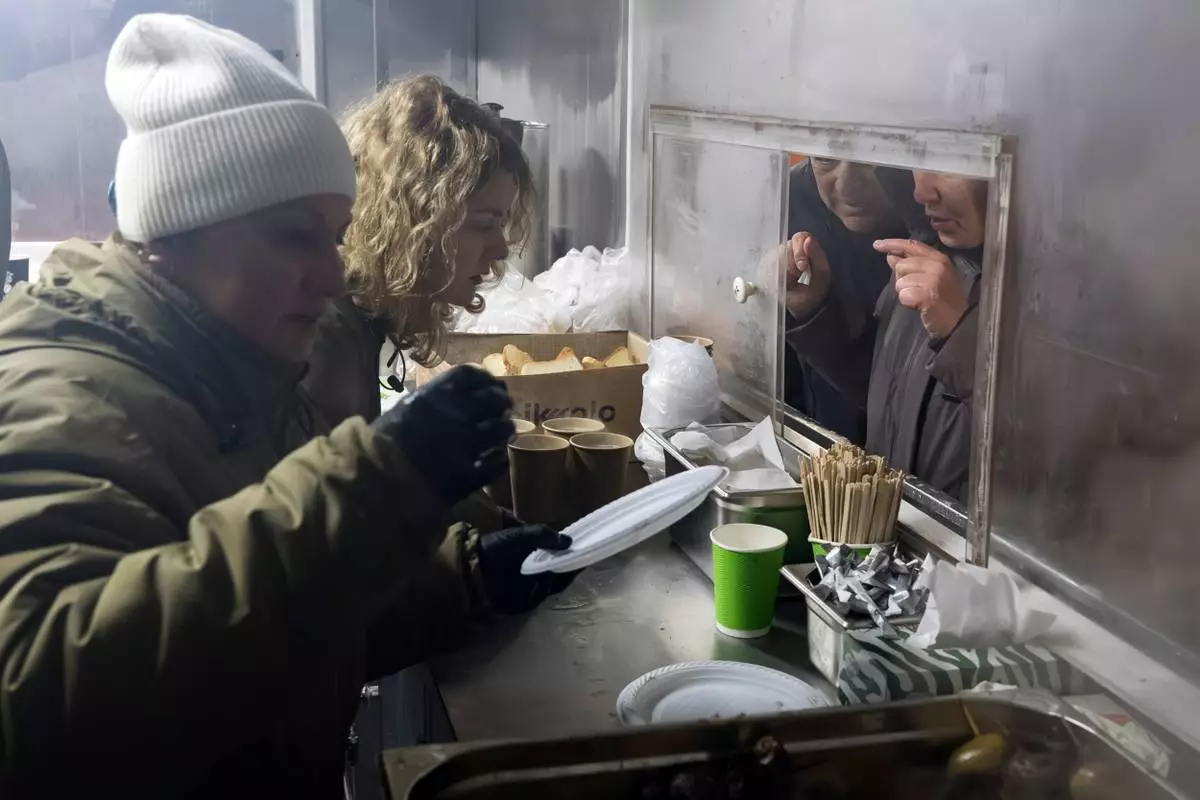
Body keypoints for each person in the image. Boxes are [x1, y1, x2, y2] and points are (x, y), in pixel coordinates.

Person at [0, 15, 563, 797]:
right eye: (295, 237)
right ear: (180, 228)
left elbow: (284, 621)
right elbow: (39, 709)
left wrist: (461, 582)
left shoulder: (241, 376)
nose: (332, 277)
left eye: (334, 237)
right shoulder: (65, 392)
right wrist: (374, 488)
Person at [785, 169, 987, 501]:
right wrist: (815, 311)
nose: (921, 192)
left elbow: (1055, 461)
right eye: (919, 161)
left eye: (949, 167)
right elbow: (886, 392)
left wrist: (961, 338)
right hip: (898, 523)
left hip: (951, 534)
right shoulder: (925, 250)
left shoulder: (1057, 294)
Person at [782, 158, 910, 443]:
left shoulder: (939, 213)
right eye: (826, 159)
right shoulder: (793, 197)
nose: (847, 185)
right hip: (823, 437)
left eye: (870, 160)